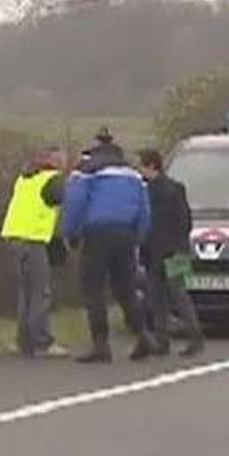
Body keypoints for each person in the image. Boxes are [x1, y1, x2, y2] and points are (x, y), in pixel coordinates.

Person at [59, 138, 156, 363]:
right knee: (126, 288)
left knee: (93, 289)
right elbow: (145, 210)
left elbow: (75, 204)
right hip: (125, 233)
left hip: (96, 233)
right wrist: (137, 237)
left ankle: (101, 344)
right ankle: (142, 335)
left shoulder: (86, 172)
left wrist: (70, 234)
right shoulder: (133, 175)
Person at [0, 148, 71, 358]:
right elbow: (63, 202)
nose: (64, 164)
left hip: (14, 236)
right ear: (54, 161)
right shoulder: (53, 179)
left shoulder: (26, 177)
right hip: (33, 239)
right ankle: (42, 342)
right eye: (62, 160)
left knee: (26, 292)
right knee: (41, 291)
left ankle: (24, 341)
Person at [136, 149, 204, 357]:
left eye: (140, 165)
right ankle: (194, 338)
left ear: (150, 166)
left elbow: (146, 225)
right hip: (177, 250)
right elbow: (186, 221)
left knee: (160, 298)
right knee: (178, 295)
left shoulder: (146, 192)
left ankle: (163, 341)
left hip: (156, 252)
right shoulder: (176, 188)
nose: (138, 170)